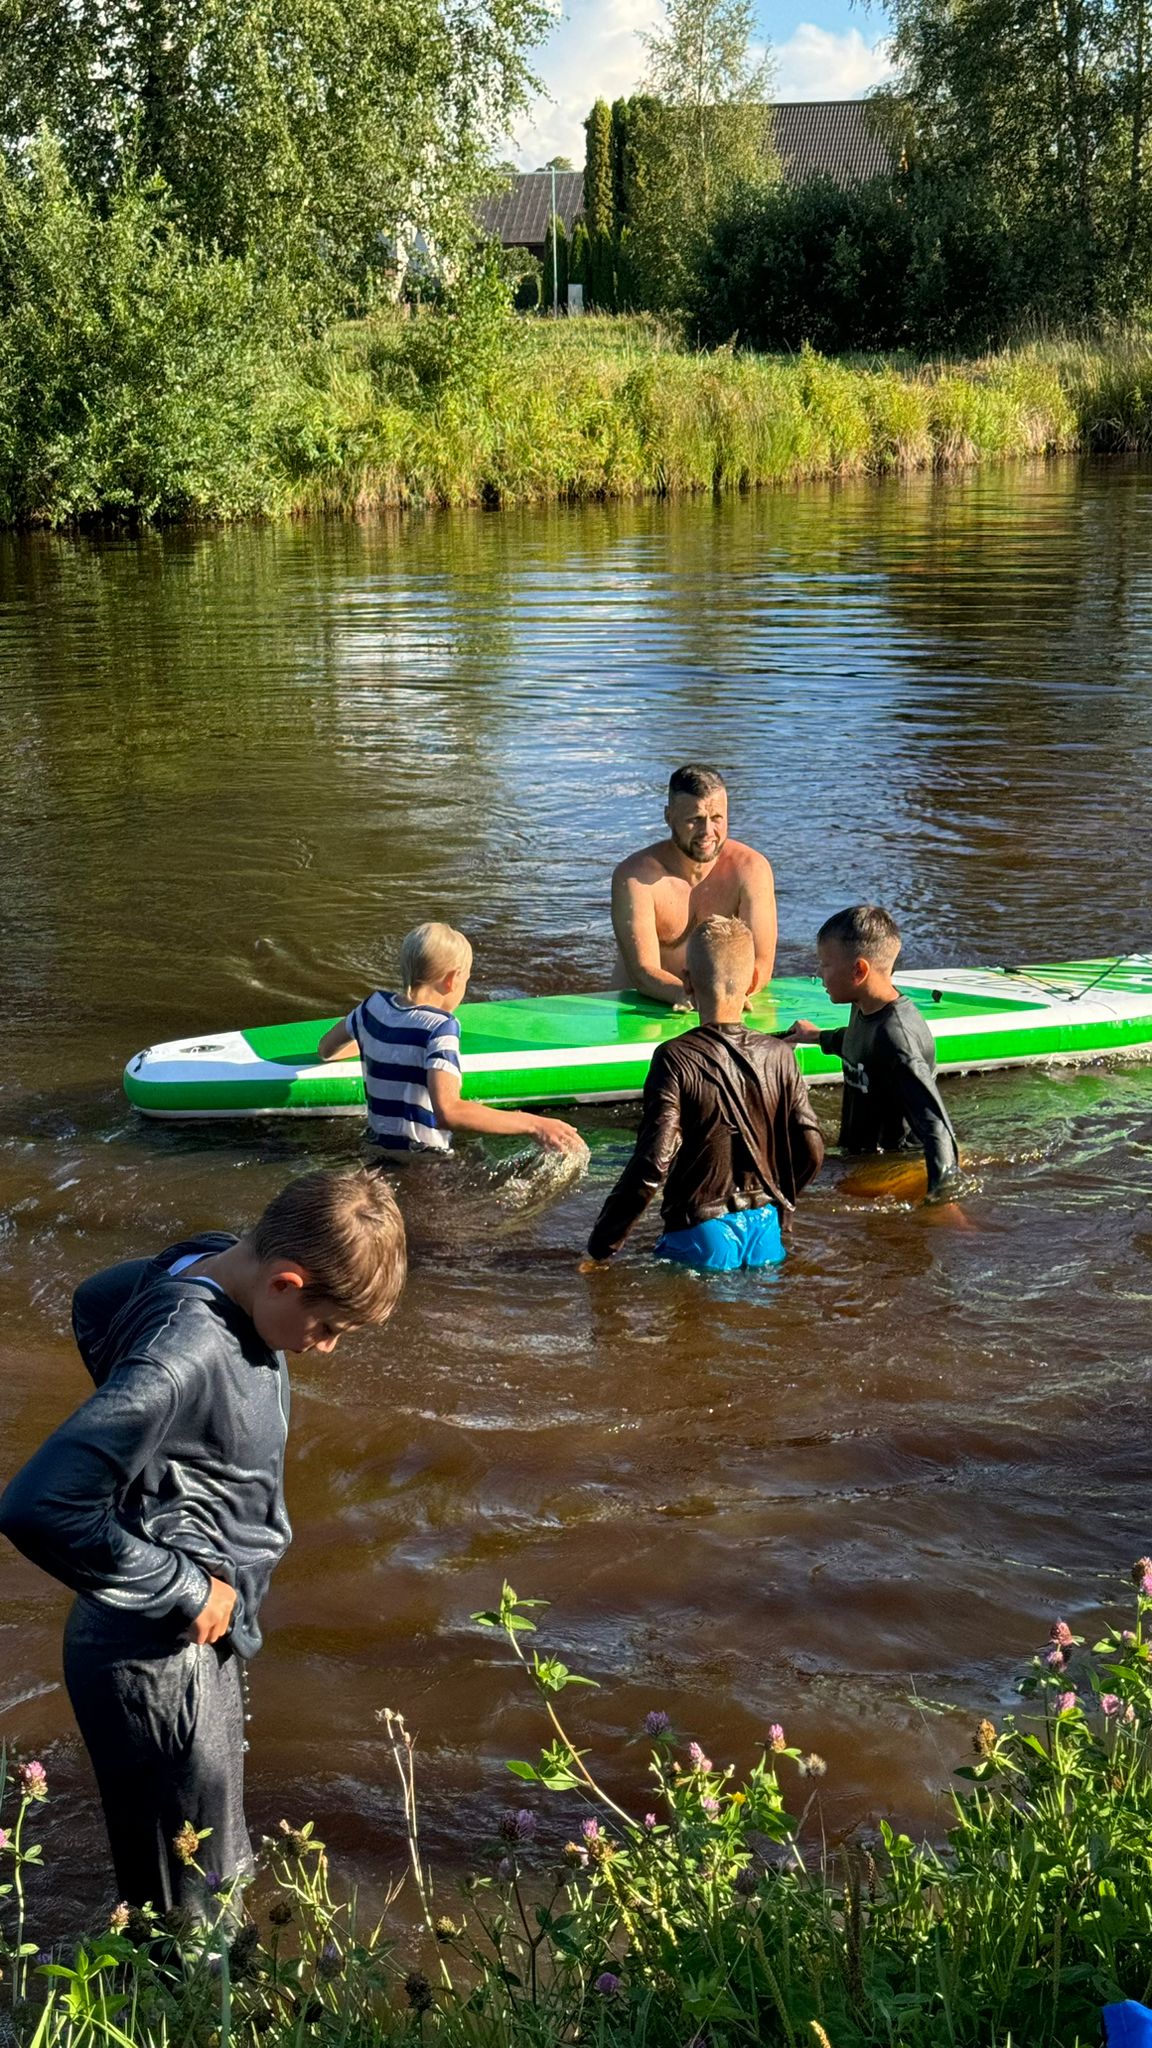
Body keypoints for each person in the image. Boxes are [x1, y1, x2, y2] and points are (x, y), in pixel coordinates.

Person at [0, 1169, 406, 1922]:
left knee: (215, 1862)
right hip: (156, 1651)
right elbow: (37, 1505)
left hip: (185, 1633)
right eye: (328, 1327)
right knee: (191, 1899)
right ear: (285, 1281)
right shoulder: (182, 1353)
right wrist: (184, 1585)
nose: (324, 1348)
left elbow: (96, 1298)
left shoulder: (211, 1262)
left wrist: (154, 1457)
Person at [584, 915, 824, 1272]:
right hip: (766, 1232)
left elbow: (654, 1160)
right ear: (753, 982)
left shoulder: (675, 1058)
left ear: (687, 981)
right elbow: (813, 1148)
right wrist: (783, 1205)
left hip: (699, 1233)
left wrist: (602, 1245)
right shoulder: (780, 1055)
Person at [318, 922, 582, 1158]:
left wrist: (380, 1043)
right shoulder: (441, 1027)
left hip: (376, 1149)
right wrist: (535, 1124)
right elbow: (449, 1112)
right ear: (452, 979)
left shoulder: (372, 1007)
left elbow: (326, 1049)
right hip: (424, 1161)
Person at [783, 904, 960, 1203]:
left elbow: (936, 1128)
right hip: (859, 1154)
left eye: (825, 964)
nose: (819, 974)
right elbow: (860, 1044)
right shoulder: (863, 1006)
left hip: (890, 1166)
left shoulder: (897, 1039)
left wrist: (941, 1200)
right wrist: (817, 1037)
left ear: (859, 971)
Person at [611, 764, 776, 1008]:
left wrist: (728, 997)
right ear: (669, 817)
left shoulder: (751, 869)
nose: (707, 831)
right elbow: (642, 969)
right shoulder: (635, 877)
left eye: (717, 818)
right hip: (644, 1004)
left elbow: (761, 961)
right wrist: (687, 995)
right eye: (695, 820)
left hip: (727, 1001)